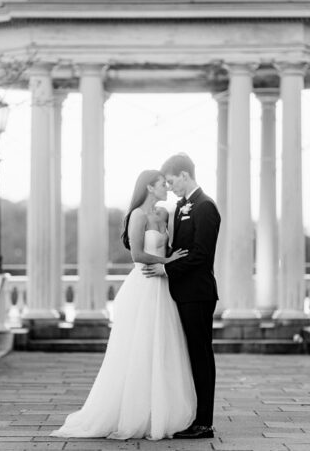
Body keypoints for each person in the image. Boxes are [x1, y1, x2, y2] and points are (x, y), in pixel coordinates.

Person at [51, 169, 196, 440]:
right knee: (138, 347)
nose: (166, 187)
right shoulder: (137, 216)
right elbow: (137, 255)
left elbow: (173, 243)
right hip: (144, 283)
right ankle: (132, 412)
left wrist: (172, 262)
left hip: (164, 286)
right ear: (149, 188)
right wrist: (168, 262)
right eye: (162, 184)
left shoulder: (163, 214)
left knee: (163, 346)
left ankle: (162, 411)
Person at [143, 153, 221, 439]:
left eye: (173, 180)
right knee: (190, 355)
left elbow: (202, 255)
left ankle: (205, 423)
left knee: (201, 355)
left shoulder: (206, 207)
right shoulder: (179, 207)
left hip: (198, 293)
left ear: (185, 175)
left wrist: (167, 270)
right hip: (183, 292)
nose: (171, 186)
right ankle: (193, 417)